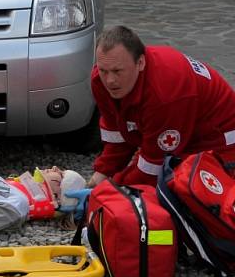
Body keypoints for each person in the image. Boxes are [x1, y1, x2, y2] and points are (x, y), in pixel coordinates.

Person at [90, 25, 235, 188]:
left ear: (140, 63)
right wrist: (99, 176)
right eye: (103, 70)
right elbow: (118, 136)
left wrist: (112, 188)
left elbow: (152, 170)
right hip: (182, 130)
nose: (109, 80)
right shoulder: (99, 81)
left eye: (117, 71)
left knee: (186, 195)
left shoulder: (165, 95)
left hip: (220, 141)